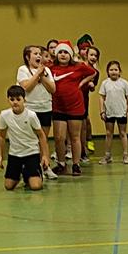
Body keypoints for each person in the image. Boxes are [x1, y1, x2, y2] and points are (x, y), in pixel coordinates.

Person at [46, 42, 97, 177]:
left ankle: (76, 164)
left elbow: (93, 72)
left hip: (75, 107)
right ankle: (61, 164)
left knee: (75, 137)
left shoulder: (78, 67)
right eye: (60, 52)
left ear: (70, 55)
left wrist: (82, 83)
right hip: (58, 107)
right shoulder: (51, 68)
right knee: (59, 137)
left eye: (66, 52)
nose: (63, 55)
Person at [14, 46, 59, 178]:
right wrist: (37, 74)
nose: (39, 56)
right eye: (35, 54)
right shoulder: (23, 70)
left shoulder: (46, 71)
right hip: (30, 110)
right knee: (31, 141)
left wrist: (42, 75)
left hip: (45, 108)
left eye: (40, 54)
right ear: (27, 57)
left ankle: (45, 167)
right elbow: (26, 87)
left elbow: (53, 89)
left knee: (43, 139)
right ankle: (31, 168)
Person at [0, 85, 48, 191]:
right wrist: (0, 155)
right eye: (12, 99)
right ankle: (20, 173)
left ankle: (32, 173)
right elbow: (2, 136)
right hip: (14, 154)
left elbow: (41, 135)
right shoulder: (4, 115)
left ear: (24, 100)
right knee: (8, 186)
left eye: (18, 99)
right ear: (8, 100)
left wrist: (44, 156)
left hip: (31, 153)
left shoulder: (31, 115)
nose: (15, 102)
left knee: (36, 186)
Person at [98, 60, 128, 165]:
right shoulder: (105, 83)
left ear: (119, 71)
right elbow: (101, 97)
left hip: (121, 112)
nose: (113, 72)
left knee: (122, 133)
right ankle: (107, 155)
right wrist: (102, 111)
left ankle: (125, 155)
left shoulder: (124, 83)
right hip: (109, 113)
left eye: (115, 70)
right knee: (109, 133)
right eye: (111, 70)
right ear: (107, 71)